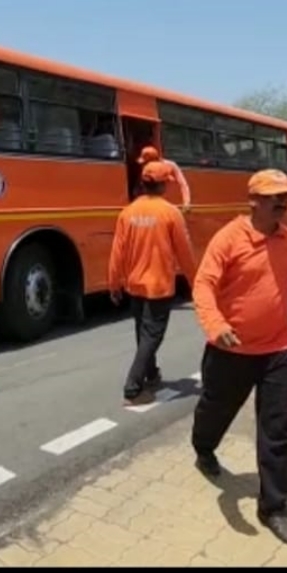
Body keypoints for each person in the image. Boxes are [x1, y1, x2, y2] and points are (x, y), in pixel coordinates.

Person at [190, 168, 287, 547]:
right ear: (253, 200)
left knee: (277, 429)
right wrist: (215, 324)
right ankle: (203, 447)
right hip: (230, 350)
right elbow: (203, 284)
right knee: (216, 409)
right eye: (272, 196)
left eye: (284, 195)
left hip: (279, 351)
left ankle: (273, 507)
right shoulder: (229, 238)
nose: (281, 202)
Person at [108, 161, 198, 406]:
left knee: (142, 332)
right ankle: (133, 388)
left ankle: (151, 374)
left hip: (134, 284)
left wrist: (114, 283)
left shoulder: (127, 213)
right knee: (152, 336)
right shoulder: (170, 213)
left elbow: (117, 252)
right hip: (158, 285)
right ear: (161, 185)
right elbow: (185, 253)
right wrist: (196, 284)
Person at [136, 146, 191, 210]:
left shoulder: (171, 165)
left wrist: (186, 202)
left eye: (146, 161)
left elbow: (183, 184)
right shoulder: (145, 169)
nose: (144, 164)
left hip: (169, 202)